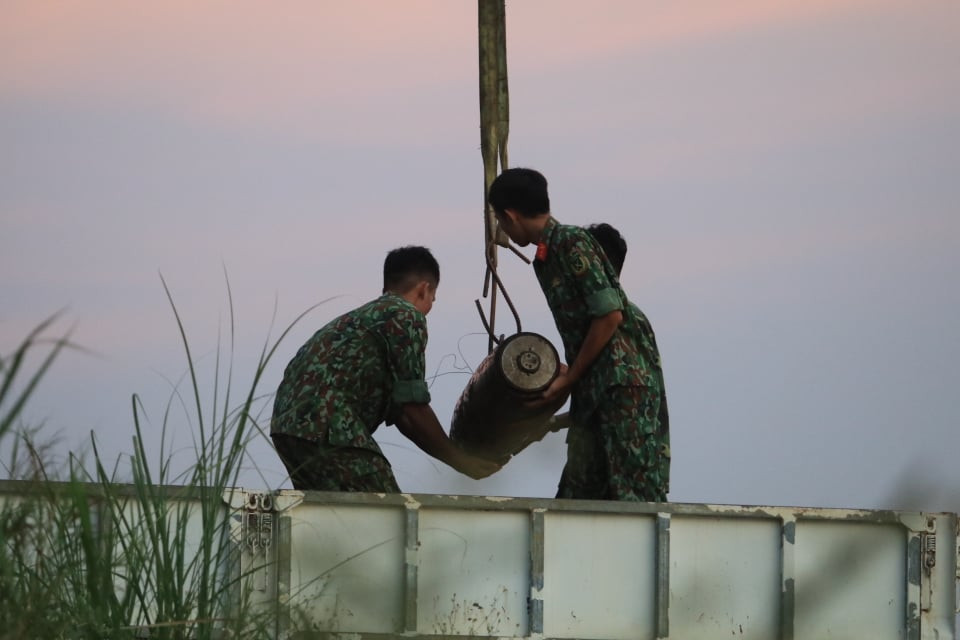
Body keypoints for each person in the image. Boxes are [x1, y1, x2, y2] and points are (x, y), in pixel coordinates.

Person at [487, 169, 669, 502]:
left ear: (510, 216)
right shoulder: (546, 256)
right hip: (595, 397)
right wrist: (552, 419)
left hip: (619, 393)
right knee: (576, 500)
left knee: (632, 499)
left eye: (500, 219)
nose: (502, 228)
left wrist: (569, 380)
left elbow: (609, 314)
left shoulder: (569, 242)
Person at [270, 246, 501, 492]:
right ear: (424, 289)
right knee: (387, 515)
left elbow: (403, 415)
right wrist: (460, 460)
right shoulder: (405, 316)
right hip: (327, 427)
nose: (429, 307)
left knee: (333, 522)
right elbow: (412, 409)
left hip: (287, 427)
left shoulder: (361, 318)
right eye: (432, 299)